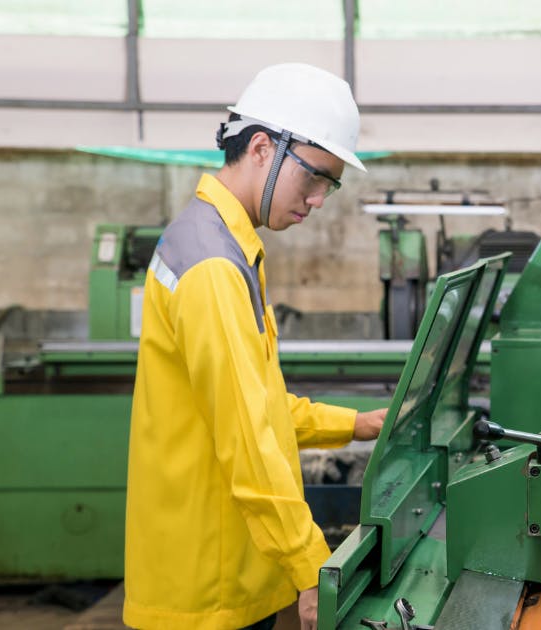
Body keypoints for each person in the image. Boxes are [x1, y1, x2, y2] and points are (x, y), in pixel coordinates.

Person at [123, 63, 386, 630]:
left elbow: (257, 404)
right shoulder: (215, 265)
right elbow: (247, 441)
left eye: (329, 186)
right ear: (263, 148)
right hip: (210, 589)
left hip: (217, 570)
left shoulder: (213, 240)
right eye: (314, 178)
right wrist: (312, 567)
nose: (318, 200)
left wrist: (358, 424)